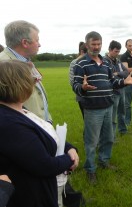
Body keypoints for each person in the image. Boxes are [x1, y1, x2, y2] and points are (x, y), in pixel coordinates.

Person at [0, 20, 81, 207]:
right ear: (24, 42)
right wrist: (68, 158)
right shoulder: (5, 67)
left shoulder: (24, 64)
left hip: (37, 132)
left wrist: (67, 146)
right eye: (37, 40)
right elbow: (42, 165)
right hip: (28, 162)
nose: (40, 44)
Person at [73, 31, 132, 183]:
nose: (96, 47)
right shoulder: (81, 63)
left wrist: (125, 82)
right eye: (93, 44)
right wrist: (82, 88)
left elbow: (112, 82)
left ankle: (104, 162)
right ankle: (90, 169)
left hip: (108, 106)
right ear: (87, 45)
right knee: (92, 141)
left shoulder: (106, 63)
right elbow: (75, 85)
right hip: (92, 109)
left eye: (98, 44)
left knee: (108, 138)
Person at [104, 40, 129, 139]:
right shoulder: (105, 61)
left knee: (122, 112)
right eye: (115, 51)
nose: (117, 53)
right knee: (112, 117)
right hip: (113, 91)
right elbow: (110, 76)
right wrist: (119, 74)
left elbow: (126, 72)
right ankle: (112, 137)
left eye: (119, 51)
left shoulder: (118, 61)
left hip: (121, 89)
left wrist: (118, 73)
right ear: (109, 49)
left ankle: (123, 130)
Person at [69, 41, 88, 118]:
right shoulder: (75, 62)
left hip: (95, 96)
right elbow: (72, 81)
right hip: (82, 95)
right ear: (82, 52)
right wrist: (82, 87)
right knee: (87, 119)